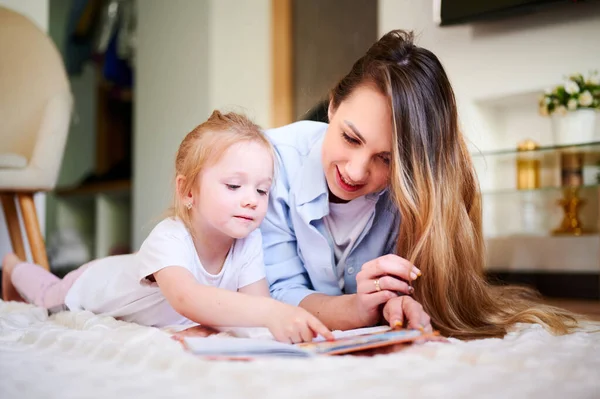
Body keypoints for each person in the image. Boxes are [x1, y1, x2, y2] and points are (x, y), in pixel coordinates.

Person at [262, 30, 578, 339]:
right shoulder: (270, 161)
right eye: (350, 137)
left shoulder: (414, 190)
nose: (357, 172)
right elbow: (277, 294)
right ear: (332, 106)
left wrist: (396, 303)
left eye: (386, 159)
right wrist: (357, 309)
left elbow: (415, 292)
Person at [2, 110, 333, 344]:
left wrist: (283, 327)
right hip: (87, 287)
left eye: (262, 190)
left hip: (135, 280)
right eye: (234, 186)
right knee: (46, 294)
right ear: (188, 191)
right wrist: (270, 312)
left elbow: (255, 310)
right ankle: (12, 265)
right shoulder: (170, 236)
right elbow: (188, 298)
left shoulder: (250, 242)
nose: (252, 200)